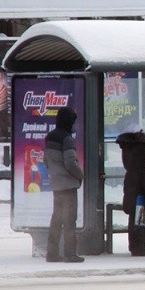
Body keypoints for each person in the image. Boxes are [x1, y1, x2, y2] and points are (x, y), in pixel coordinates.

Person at [46, 107, 85, 263]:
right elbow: (70, 163)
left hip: (56, 185)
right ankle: (70, 254)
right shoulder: (67, 139)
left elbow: (45, 161)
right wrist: (81, 175)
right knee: (69, 220)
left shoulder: (50, 137)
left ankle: (52, 253)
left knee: (56, 219)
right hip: (68, 186)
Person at [117, 130, 145, 257]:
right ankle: (139, 247)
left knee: (134, 217)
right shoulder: (140, 151)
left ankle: (135, 246)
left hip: (131, 186)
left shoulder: (129, 150)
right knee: (140, 217)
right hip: (140, 187)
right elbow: (143, 171)